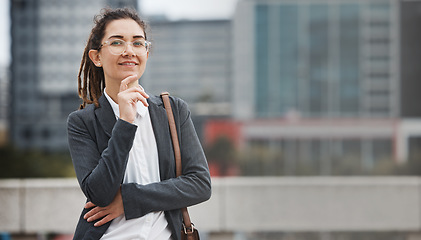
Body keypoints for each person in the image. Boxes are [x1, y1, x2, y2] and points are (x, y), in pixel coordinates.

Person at [67, 7, 211, 240]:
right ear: (97, 57)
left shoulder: (173, 111)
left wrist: (130, 200)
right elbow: (100, 193)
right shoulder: (82, 122)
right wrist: (125, 121)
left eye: (137, 43)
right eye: (116, 43)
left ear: (146, 52)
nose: (129, 51)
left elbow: (200, 184)